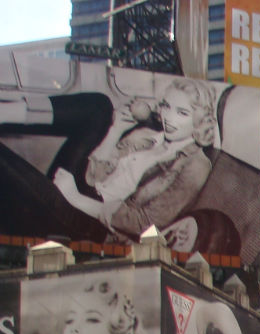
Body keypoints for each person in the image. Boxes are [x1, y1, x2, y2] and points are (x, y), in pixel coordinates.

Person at [50, 79, 220, 239]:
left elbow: (144, 225)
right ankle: (23, 111)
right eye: (166, 106)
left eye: (182, 112)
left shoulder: (196, 166)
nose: (168, 117)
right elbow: (95, 176)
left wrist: (75, 198)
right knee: (100, 105)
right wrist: (116, 130)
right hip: (89, 189)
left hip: (97, 220)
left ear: (199, 120)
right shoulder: (152, 136)